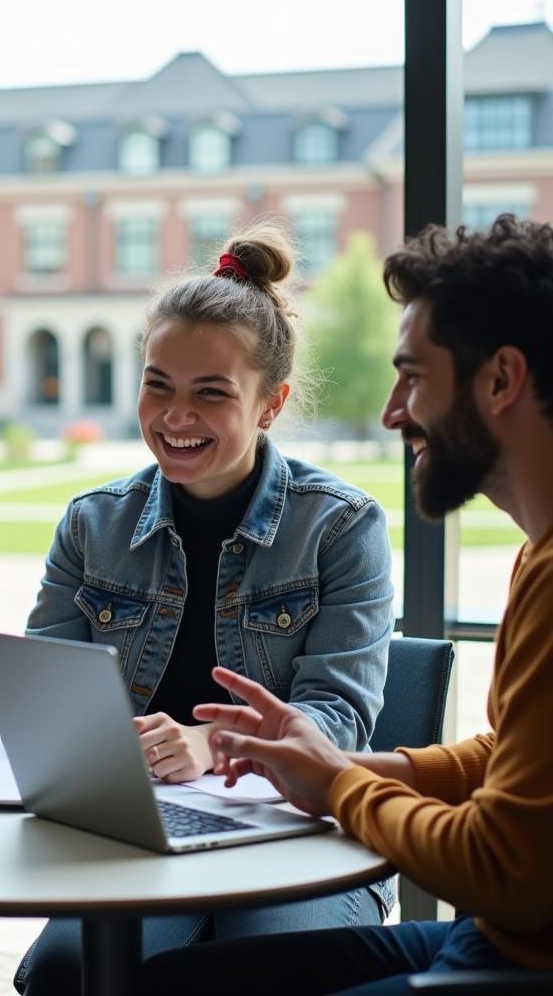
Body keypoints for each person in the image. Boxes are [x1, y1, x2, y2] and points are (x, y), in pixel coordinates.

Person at [140, 213, 553, 994]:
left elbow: (504, 867)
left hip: (517, 962)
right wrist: (344, 766)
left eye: (414, 377)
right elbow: (510, 759)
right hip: (498, 940)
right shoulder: (539, 552)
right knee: (170, 981)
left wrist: (338, 788)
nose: (394, 411)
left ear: (501, 381)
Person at [16, 222, 395, 995]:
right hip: (140, 831)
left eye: (211, 393)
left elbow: (339, 718)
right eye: (158, 384)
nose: (174, 416)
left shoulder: (341, 526)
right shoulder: (91, 525)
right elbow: (46, 706)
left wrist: (211, 744)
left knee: (273, 975)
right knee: (67, 972)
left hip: (296, 829)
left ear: (270, 403)